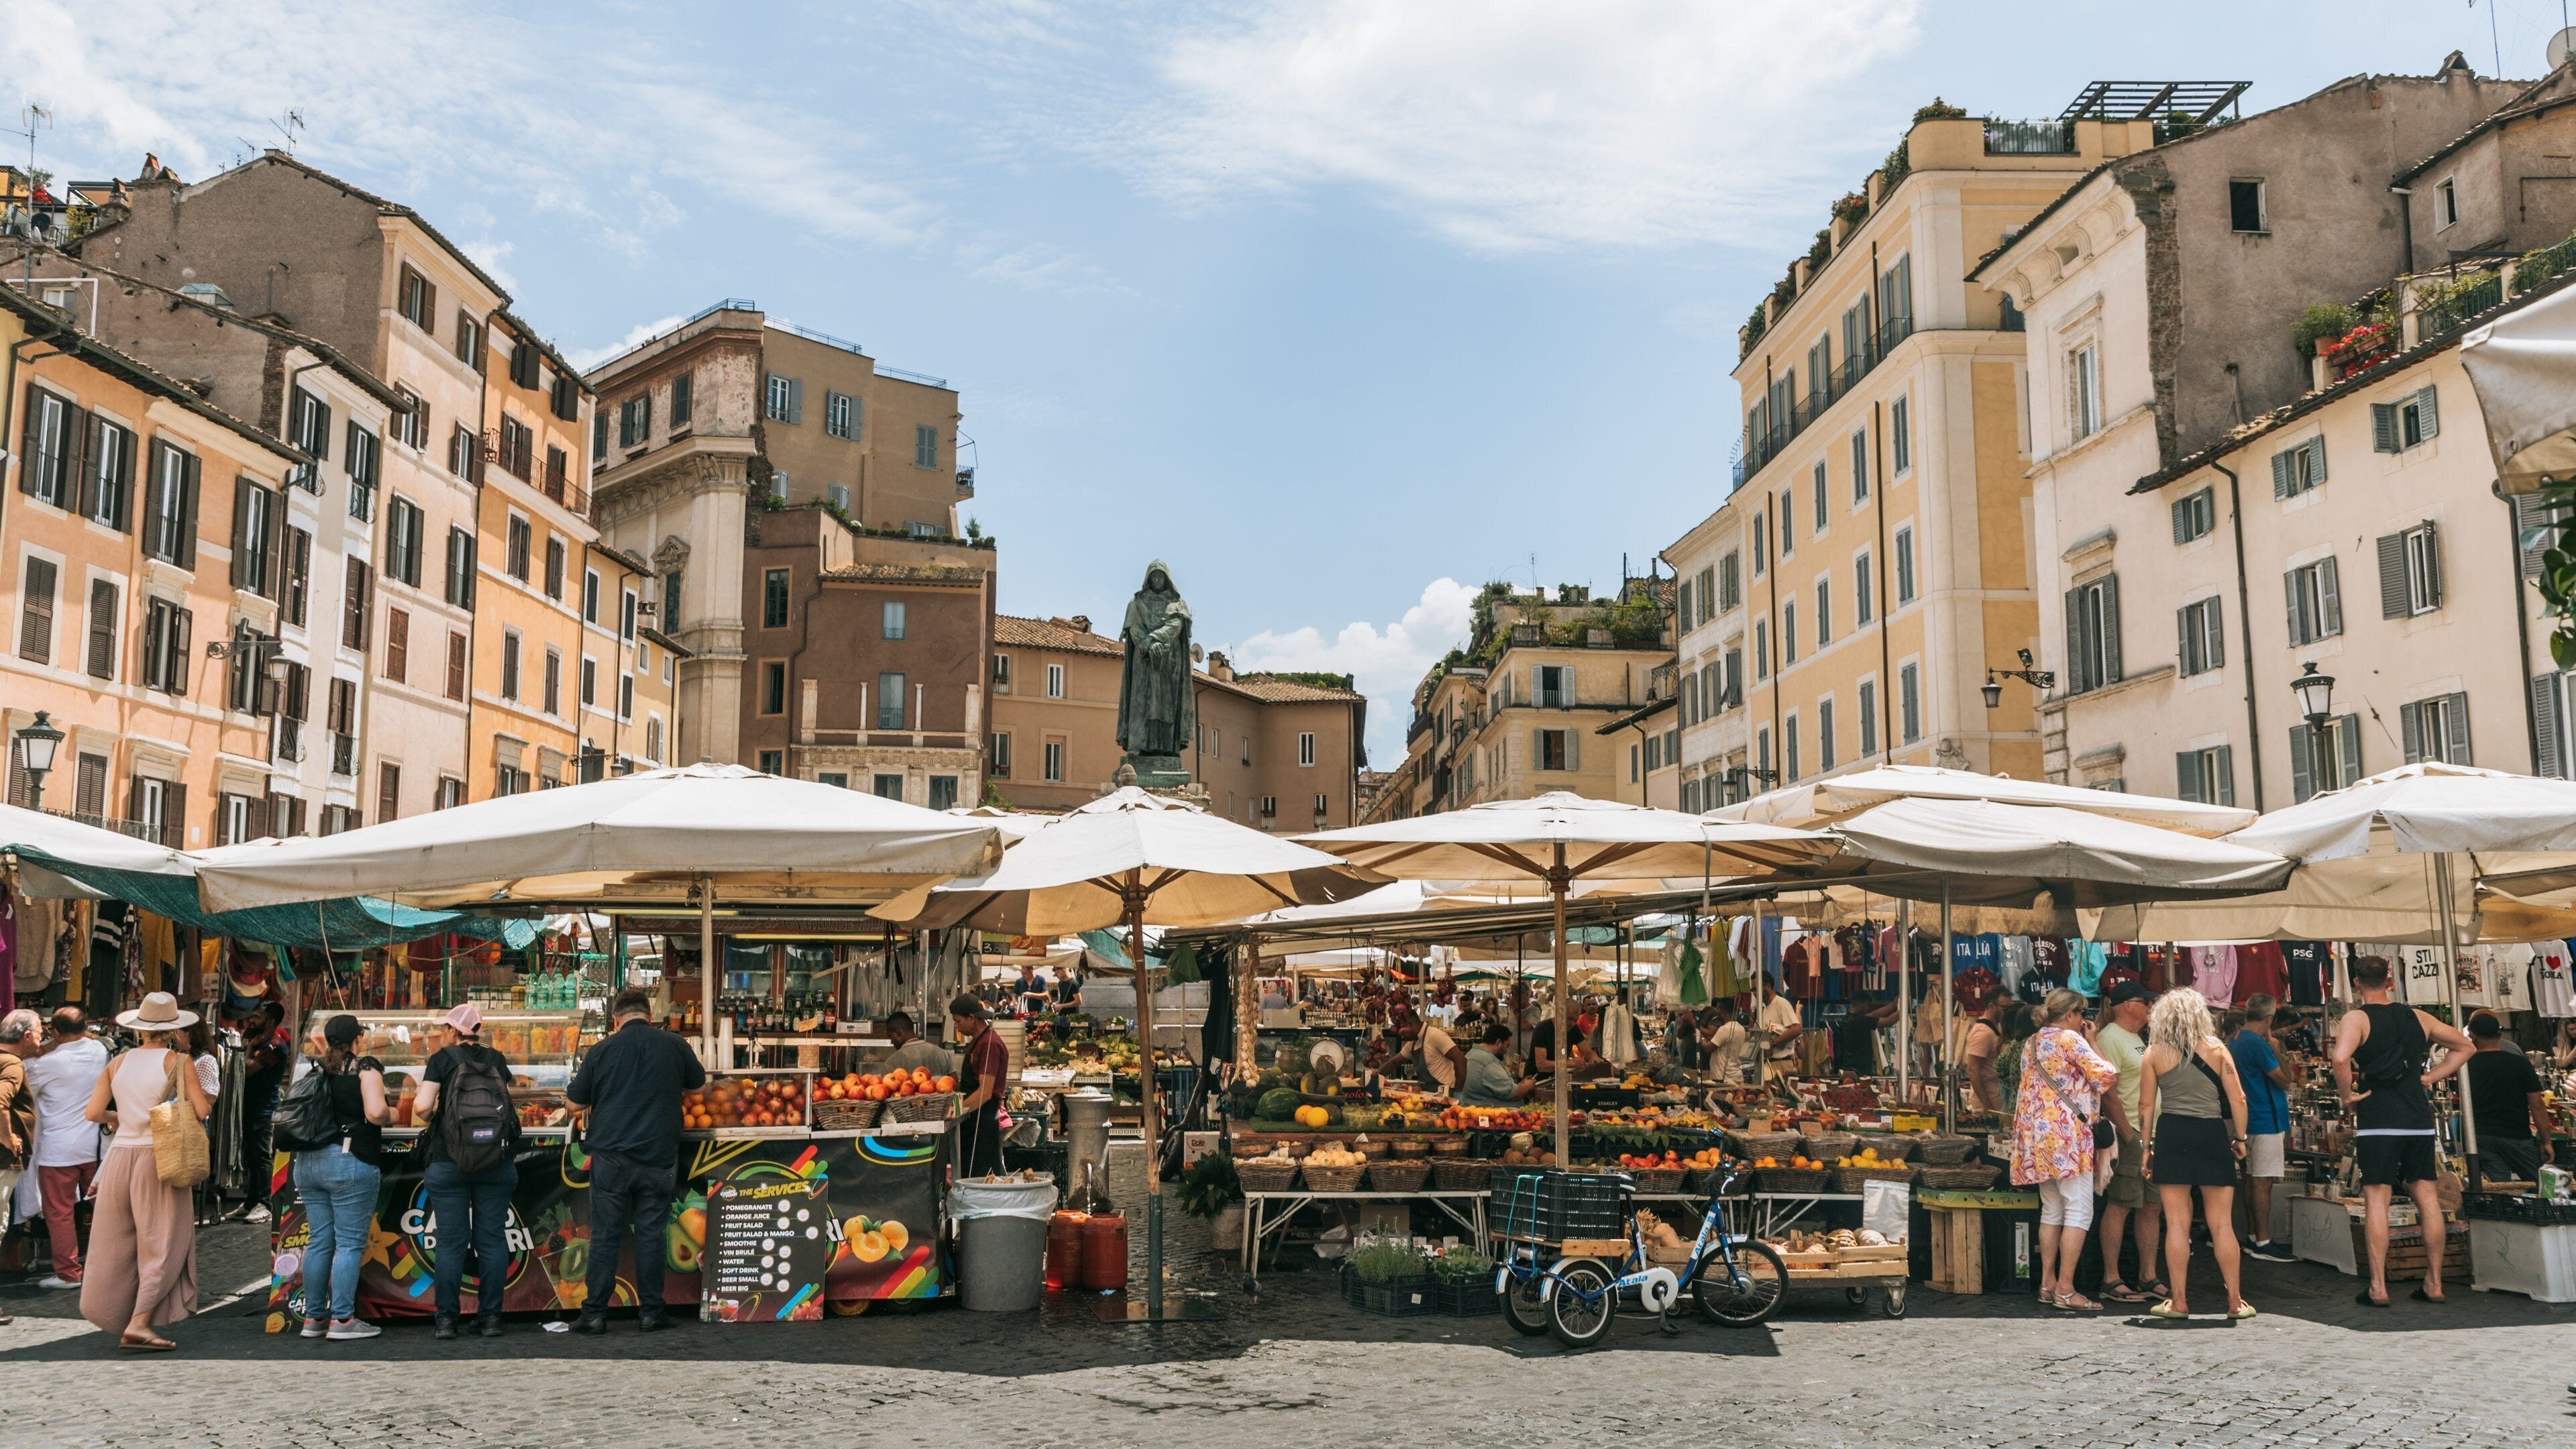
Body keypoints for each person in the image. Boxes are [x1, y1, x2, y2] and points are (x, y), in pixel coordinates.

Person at [2331, 954, 2473, 1307]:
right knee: (2428, 1197)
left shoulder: (2357, 1018)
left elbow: (2340, 1058)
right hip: (2417, 1119)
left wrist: (2348, 1096)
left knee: (2376, 1199)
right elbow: (2465, 1046)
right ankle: (2434, 1283)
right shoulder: (2419, 1017)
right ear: (2390, 980)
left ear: (2357, 983)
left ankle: (2378, 1287)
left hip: (2378, 1118)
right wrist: (2430, 1077)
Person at [568, 987, 705, 1335]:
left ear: (616, 1019)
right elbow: (698, 1088)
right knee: (651, 1235)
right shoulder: (674, 1044)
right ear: (650, 1016)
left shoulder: (601, 1050)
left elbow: (574, 1104)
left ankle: (595, 1314)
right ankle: (651, 1313)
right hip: (659, 1157)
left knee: (605, 1236)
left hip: (612, 1158)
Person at [79, 993, 212, 1350]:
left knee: (115, 1243)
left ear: (139, 1029)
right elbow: (201, 1110)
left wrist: (121, 1117)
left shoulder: (117, 1063)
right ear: (173, 1030)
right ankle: (139, 1322)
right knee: (164, 1241)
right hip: (159, 1158)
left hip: (119, 1159)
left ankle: (119, 1314)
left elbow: (93, 1113)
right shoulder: (178, 1061)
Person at [2138, 987, 2255, 1321]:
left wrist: (2146, 1147)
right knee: (2222, 1224)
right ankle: (2235, 1302)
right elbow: (2239, 1099)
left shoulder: (2154, 1054)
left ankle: (2179, 1302)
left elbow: (2145, 1105)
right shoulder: (2217, 1050)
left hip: (2173, 1133)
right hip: (2211, 1134)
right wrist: (2241, 1138)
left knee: (2176, 1224)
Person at [413, 1003, 520, 1337]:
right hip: (495, 1161)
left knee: (450, 1243)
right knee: (492, 1240)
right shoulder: (496, 1059)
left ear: (452, 1030)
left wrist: (439, 1120)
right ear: (478, 1029)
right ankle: (490, 1319)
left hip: (449, 1161)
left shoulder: (442, 1059)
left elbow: (421, 1107)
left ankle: (446, 1320)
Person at [2011, 989, 2120, 1311]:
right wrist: (2094, 1041)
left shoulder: (2032, 1043)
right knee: (2079, 1211)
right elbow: (2108, 1077)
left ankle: (2047, 1283)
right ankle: (2066, 1289)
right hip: (2068, 1137)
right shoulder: (2072, 1041)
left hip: (2038, 1137)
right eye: (2082, 1013)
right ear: (2071, 1014)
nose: (2084, 1019)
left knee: (2052, 1209)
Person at [292, 1014, 394, 1341]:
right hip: (348, 1160)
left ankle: (313, 1319)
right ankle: (342, 1320)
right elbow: (376, 1113)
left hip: (308, 1163)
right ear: (358, 1039)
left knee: (320, 1241)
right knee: (348, 1244)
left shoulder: (317, 1068)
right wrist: (394, 1114)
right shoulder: (364, 1067)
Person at [28, 1006, 111, 1289]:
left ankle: (68, 1274)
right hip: (95, 1147)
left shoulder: (46, 1064)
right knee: (106, 1211)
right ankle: (115, 1268)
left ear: (54, 1031)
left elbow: (27, 1093)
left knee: (59, 1214)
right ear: (85, 1026)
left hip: (58, 1150)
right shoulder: (101, 1052)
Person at [2090, 982, 2160, 1305]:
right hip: (2131, 1132)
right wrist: (2128, 1134)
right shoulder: (2110, 1038)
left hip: (2151, 1132)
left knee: (2151, 1206)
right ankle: (2111, 1278)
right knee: (2121, 1204)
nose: (2150, 1007)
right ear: (2127, 1005)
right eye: (2145, 1001)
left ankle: (2148, 1275)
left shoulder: (2137, 1038)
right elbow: (2108, 1092)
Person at [2228, 994, 2297, 1261]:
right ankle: (2263, 1242)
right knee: (2262, 1181)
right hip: (2266, 1119)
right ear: (2269, 1019)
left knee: (2250, 1179)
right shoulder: (2258, 1043)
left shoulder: (2235, 1039)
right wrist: (2276, 1047)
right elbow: (2285, 1080)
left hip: (2246, 1118)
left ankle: (2253, 1237)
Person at [2462, 1010, 2553, 1184]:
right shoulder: (2520, 1063)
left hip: (2481, 1136)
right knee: (2542, 1184)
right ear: (2500, 1035)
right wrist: (2546, 1140)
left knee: (2500, 1188)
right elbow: (2537, 1105)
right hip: (2516, 1135)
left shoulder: (2466, 1066)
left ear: (2473, 1036)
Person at [0, 1008, 37, 1323]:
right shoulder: (12, 1063)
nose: (41, 1038)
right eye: (39, 1033)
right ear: (26, 1036)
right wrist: (9, 1137)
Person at [237, 1002, 288, 1221]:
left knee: (262, 1157)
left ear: (271, 1021)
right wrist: (251, 1046)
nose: (252, 1020)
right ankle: (251, 1202)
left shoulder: (274, 1046)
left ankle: (265, 1204)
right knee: (252, 1156)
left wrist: (250, 1048)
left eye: (258, 1017)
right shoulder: (261, 1042)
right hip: (251, 1107)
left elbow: (248, 1070)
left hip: (264, 1109)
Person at [951, 994, 1010, 1177]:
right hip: (973, 1117)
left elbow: (985, 1092)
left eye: (958, 1021)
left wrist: (957, 1112)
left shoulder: (989, 1045)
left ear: (972, 1018)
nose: (956, 1026)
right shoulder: (978, 1041)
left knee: (981, 1176)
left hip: (982, 1121)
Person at [1458, 1024, 1537, 1107]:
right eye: (1507, 1046)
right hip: (1496, 1111)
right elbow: (1513, 1094)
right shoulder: (1488, 1062)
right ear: (1498, 1042)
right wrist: (1528, 1085)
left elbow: (1500, 1086)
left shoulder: (1472, 1054)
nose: (1507, 1051)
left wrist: (1522, 1084)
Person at [1962, 998, 2006, 1113]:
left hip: (1998, 1102)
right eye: (2005, 1008)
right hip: (1989, 1106)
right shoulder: (1983, 1033)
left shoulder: (1997, 1027)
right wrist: (1987, 1105)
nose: (2007, 1012)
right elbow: (1973, 1070)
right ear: (1992, 1006)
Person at [1398, 1016, 1464, 1093]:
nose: (1403, 1036)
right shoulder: (1412, 1043)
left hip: (1445, 1094)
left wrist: (1458, 1092)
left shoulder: (1435, 1035)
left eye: (1404, 1032)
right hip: (1427, 1094)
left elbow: (1461, 1061)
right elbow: (1394, 1062)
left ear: (1411, 1025)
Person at [1835, 999, 1899, 1076]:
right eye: (1866, 1005)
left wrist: (1893, 1005)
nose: (1868, 1008)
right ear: (1859, 1004)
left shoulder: (1847, 1018)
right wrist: (1904, 1009)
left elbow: (1874, 1015)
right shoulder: (1861, 1021)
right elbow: (1888, 1022)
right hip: (1860, 1071)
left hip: (1848, 1068)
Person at [879, 1012, 953, 1077]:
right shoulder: (943, 1055)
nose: (892, 1042)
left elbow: (886, 1087)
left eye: (891, 1037)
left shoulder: (891, 1064)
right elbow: (955, 1085)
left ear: (898, 1032)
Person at [1993, 1004, 2037, 1109]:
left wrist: (2012, 1085)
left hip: (2015, 1101)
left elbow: (1998, 1065)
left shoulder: (2015, 1043)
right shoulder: (2036, 1044)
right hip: (2031, 1103)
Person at [1756, 989, 1803, 1083]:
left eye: (1755, 989)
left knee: (1785, 1092)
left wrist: (1774, 1042)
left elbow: (1797, 1029)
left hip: (1783, 1063)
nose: (1754, 992)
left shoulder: (1781, 1003)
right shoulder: (1764, 1011)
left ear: (1768, 987)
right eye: (1753, 990)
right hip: (1769, 1064)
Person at [1702, 998, 1748, 1085]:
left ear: (1723, 1012)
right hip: (1736, 1075)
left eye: (1718, 1009)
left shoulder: (1725, 1029)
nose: (1716, 1012)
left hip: (1724, 1078)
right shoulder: (1741, 1028)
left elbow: (1708, 1048)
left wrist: (1701, 1039)